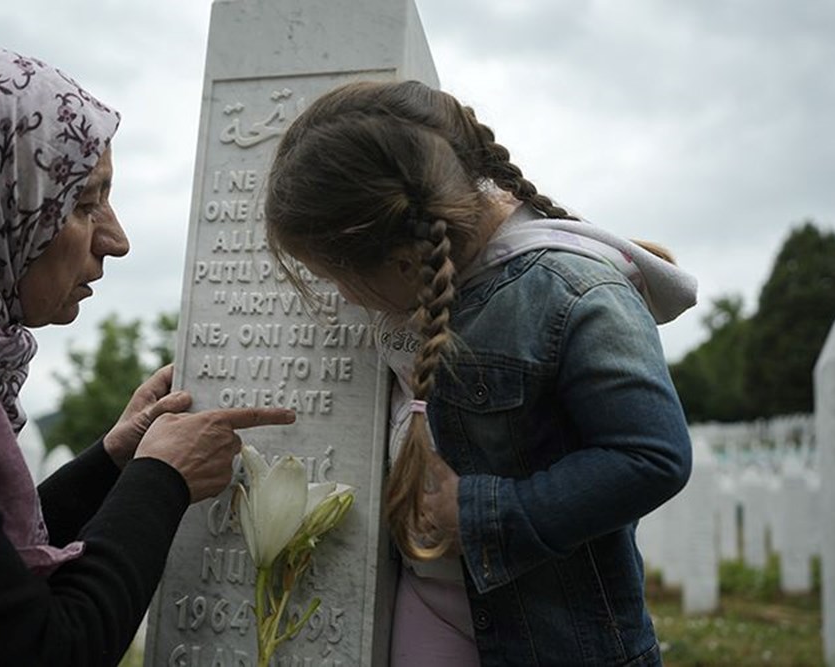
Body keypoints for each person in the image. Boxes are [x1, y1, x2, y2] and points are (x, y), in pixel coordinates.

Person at [0, 37, 295, 666]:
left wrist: (115, 459)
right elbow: (35, 649)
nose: (117, 240)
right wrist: (160, 480)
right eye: (83, 202)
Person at [265, 80, 698, 666]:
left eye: (338, 277)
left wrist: (475, 512)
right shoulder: (426, 285)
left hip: (553, 638)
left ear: (406, 259)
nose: (341, 296)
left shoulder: (572, 292)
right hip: (427, 606)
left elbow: (651, 456)